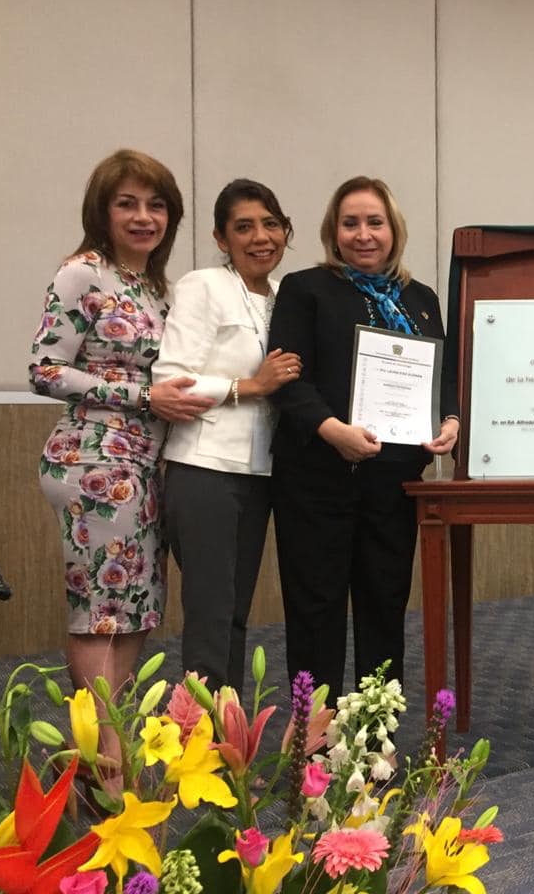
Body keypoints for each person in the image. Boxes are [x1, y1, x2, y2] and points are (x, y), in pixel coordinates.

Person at [29, 149, 214, 768]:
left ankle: (102, 752)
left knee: (136, 607)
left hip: (143, 464)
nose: (143, 217)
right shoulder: (84, 273)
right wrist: (142, 396)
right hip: (91, 459)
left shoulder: (153, 287)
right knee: (99, 610)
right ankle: (108, 758)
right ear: (102, 212)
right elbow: (45, 368)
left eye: (156, 205)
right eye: (127, 204)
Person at [267, 176, 459, 697]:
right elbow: (287, 379)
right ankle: (315, 743)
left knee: (384, 605)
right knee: (316, 609)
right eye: (350, 223)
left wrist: (450, 423)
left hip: (393, 482)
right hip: (315, 478)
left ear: (394, 230)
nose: (363, 234)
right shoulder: (305, 289)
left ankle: (375, 742)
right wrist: (334, 432)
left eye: (375, 222)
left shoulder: (421, 300)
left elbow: (444, 379)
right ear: (333, 231)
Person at [153, 179, 303, 692]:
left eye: (270, 224)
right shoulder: (203, 287)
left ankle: (225, 750)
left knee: (236, 616)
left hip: (261, 474)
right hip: (204, 471)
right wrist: (250, 386)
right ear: (221, 238)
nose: (260, 237)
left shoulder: (288, 297)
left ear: (286, 231)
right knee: (211, 618)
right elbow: (169, 381)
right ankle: (201, 753)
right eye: (244, 227)